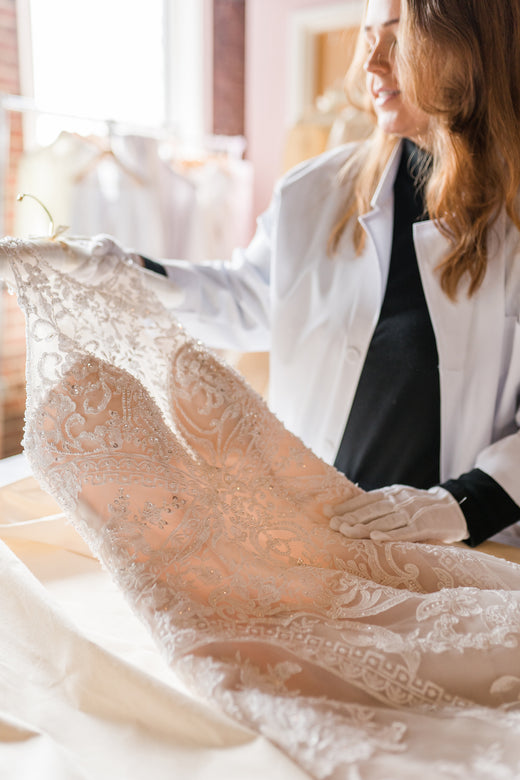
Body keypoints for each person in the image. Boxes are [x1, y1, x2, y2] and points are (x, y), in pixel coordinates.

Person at [135, 0, 520, 549]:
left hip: (459, 559)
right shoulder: (312, 193)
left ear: (469, 49)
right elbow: (250, 299)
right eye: (368, 37)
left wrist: (459, 507)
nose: (372, 63)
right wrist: (127, 274)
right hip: (313, 542)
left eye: (397, 38)